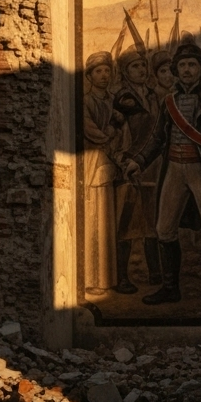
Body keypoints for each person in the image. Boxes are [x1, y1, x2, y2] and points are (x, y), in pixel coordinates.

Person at [122, 43, 201, 311]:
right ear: (176, 70)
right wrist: (139, 161)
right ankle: (170, 289)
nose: (187, 70)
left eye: (192, 65)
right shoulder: (169, 102)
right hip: (174, 170)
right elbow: (157, 139)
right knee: (164, 230)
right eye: (182, 65)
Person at [112, 48, 162, 291]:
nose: (141, 70)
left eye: (143, 65)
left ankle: (156, 273)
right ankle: (123, 277)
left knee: (153, 221)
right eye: (135, 66)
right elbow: (116, 135)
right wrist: (123, 161)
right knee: (128, 223)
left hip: (153, 165)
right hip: (130, 166)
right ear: (125, 71)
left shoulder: (153, 96)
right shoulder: (123, 99)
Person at [83, 52, 123, 294]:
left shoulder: (113, 100)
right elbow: (93, 132)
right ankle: (92, 279)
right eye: (98, 71)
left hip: (111, 164)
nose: (103, 75)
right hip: (92, 166)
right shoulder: (86, 101)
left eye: (107, 70)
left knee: (108, 222)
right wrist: (111, 130)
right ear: (89, 76)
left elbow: (122, 132)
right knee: (93, 222)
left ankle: (107, 279)